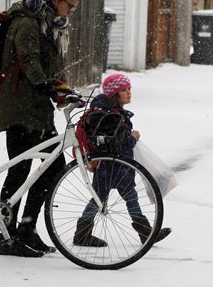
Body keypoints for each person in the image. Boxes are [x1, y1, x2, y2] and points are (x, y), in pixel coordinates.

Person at [0, 0, 83, 257]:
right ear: (55, 0)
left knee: (52, 167)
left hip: (37, 107)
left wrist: (60, 88)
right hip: (20, 105)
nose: (70, 11)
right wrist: (45, 85)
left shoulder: (47, 24)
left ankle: (26, 228)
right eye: (69, 5)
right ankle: (8, 237)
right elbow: (30, 60)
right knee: (20, 170)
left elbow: (48, 65)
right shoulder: (28, 22)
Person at [73, 73, 172, 247]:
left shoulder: (108, 112)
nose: (129, 93)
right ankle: (84, 234)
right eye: (124, 90)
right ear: (114, 94)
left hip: (110, 166)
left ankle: (145, 233)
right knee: (103, 199)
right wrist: (132, 137)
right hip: (116, 166)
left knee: (109, 198)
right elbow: (119, 144)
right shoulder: (112, 116)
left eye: (129, 89)